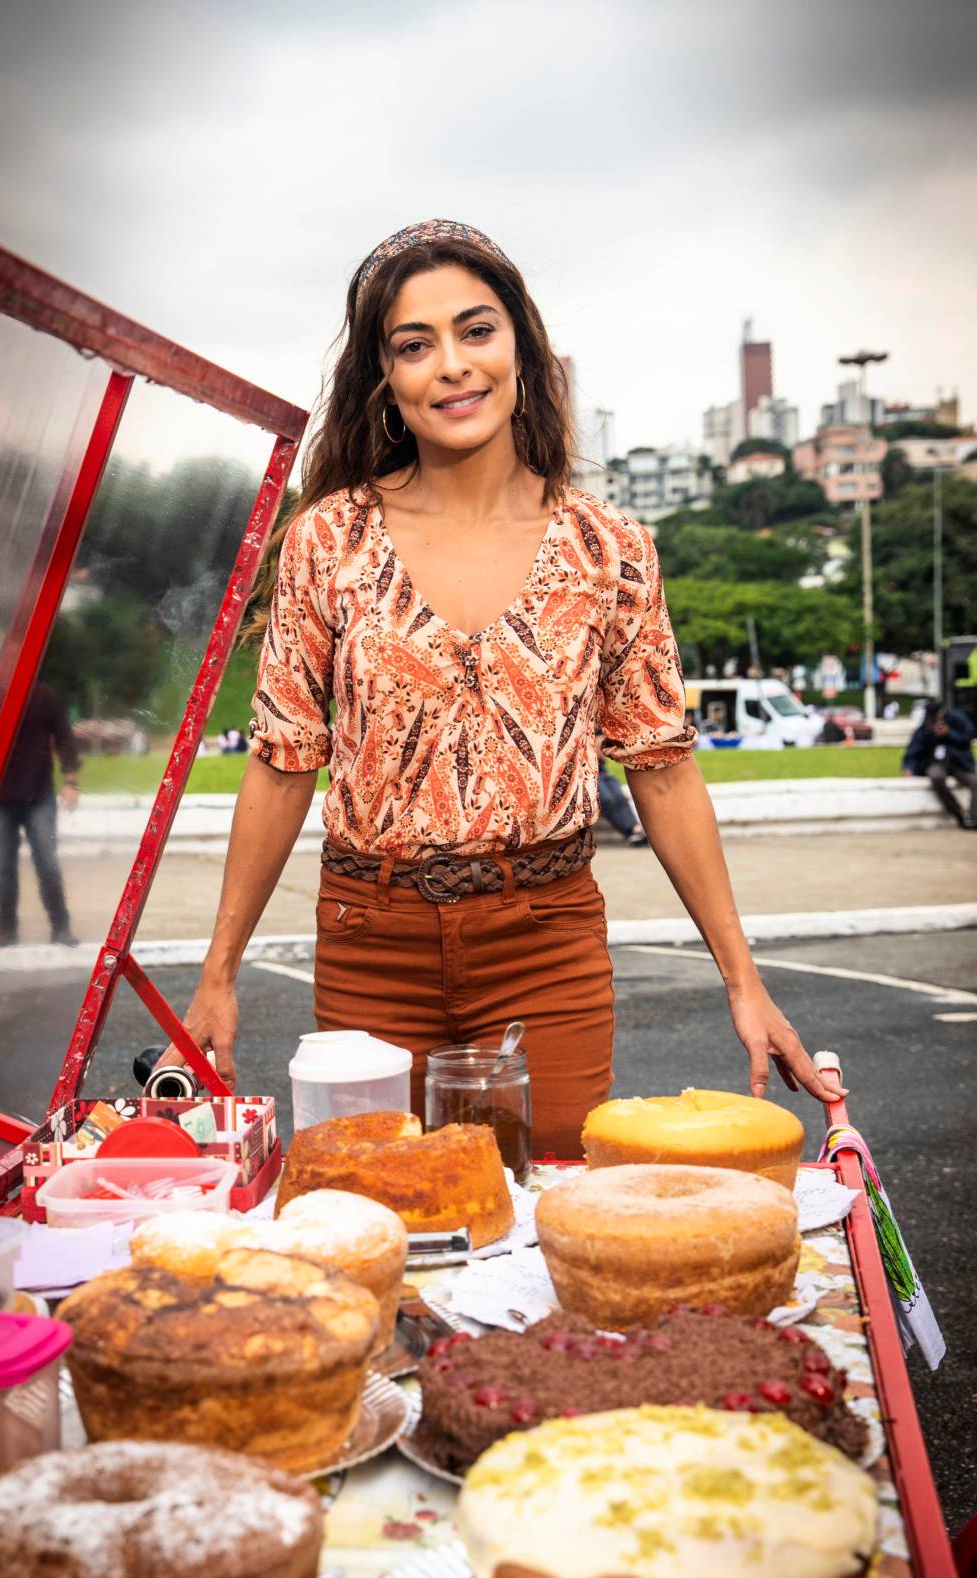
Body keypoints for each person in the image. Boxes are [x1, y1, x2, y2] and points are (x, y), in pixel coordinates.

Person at [160, 218, 843, 1152]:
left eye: (476, 330)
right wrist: (218, 974)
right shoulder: (328, 540)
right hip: (372, 944)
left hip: (546, 947)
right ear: (385, 380)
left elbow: (663, 768)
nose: (452, 365)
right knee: (379, 1213)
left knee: (550, 1208)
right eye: (414, 345)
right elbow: (283, 763)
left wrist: (743, 981)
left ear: (521, 348)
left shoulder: (610, 548)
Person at [0, 681, 80, 947]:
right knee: (3, 867)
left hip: (38, 795)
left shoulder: (43, 696)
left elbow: (64, 737)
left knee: (47, 863)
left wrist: (71, 782)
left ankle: (61, 927)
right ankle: (6, 929)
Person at [902, 702, 977, 828]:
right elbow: (914, 748)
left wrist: (948, 733)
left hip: (959, 763)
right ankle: (960, 815)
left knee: (975, 782)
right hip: (937, 763)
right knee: (936, 777)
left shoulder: (957, 718)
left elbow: (967, 737)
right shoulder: (926, 725)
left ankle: (975, 818)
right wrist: (908, 767)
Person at [596, 733, 647, 846]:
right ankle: (633, 831)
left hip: (603, 772)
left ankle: (635, 830)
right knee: (607, 799)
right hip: (589, 774)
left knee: (620, 796)